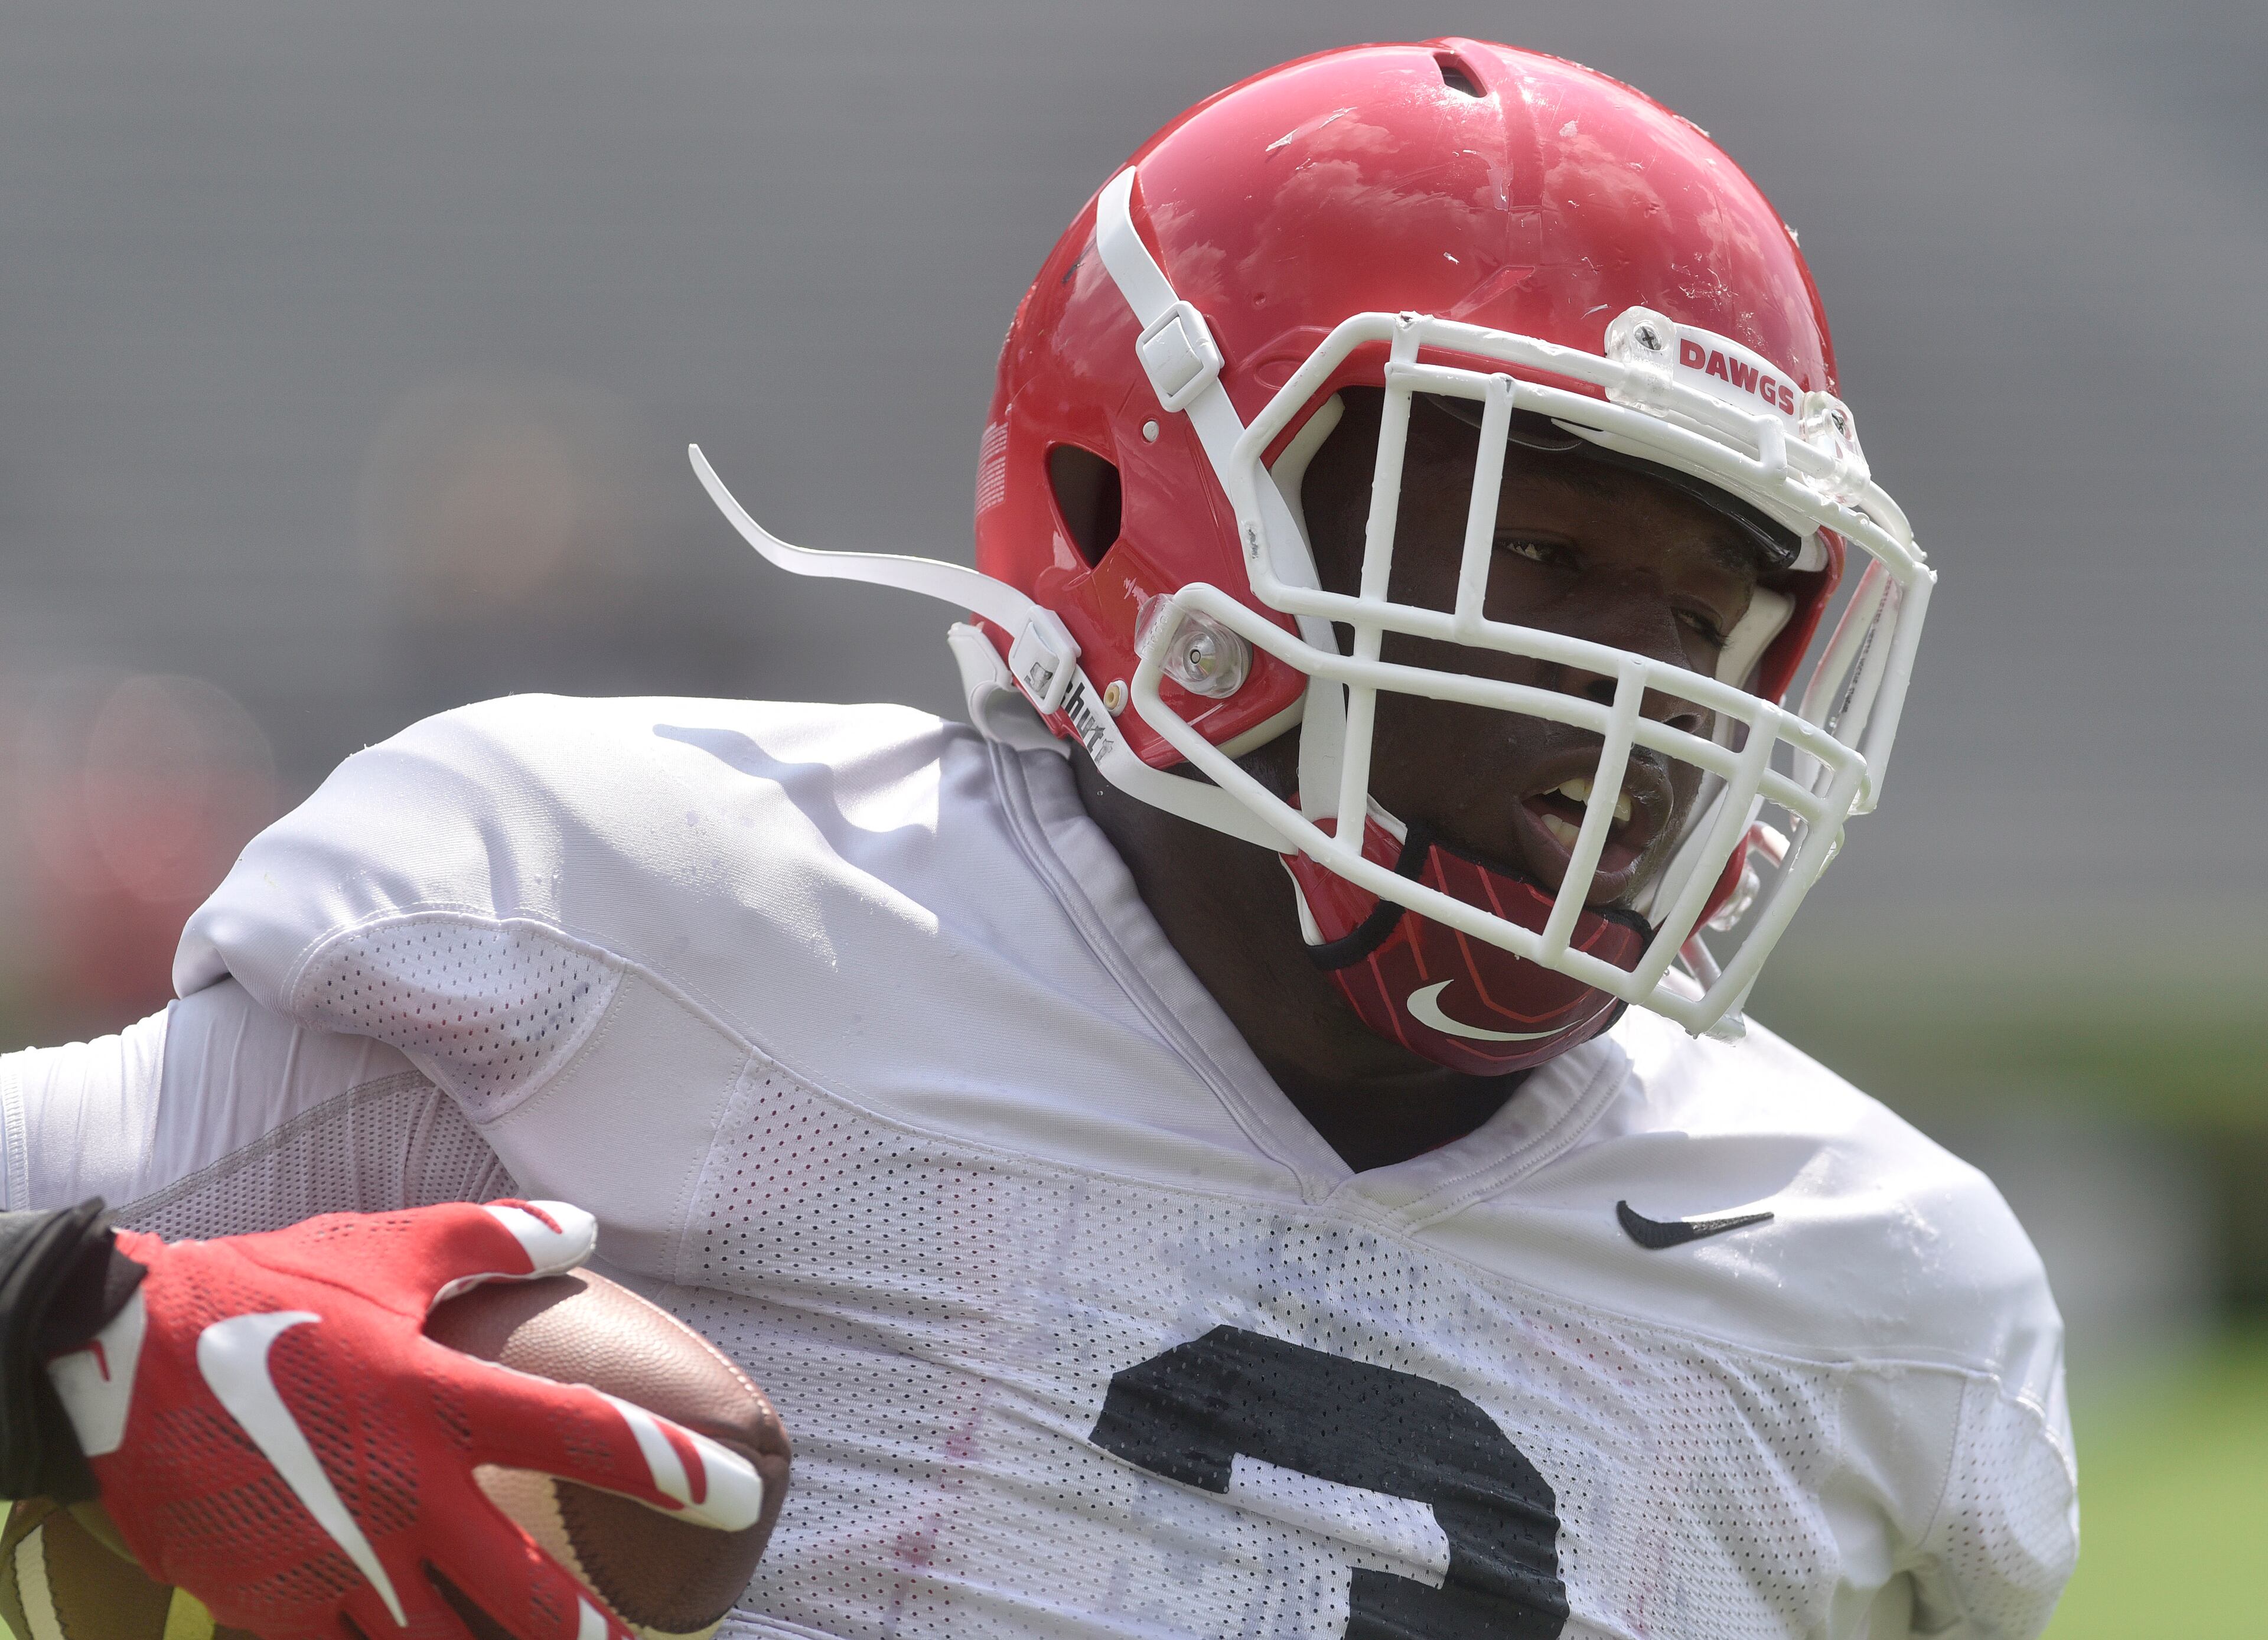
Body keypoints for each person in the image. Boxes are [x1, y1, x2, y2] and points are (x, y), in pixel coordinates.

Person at [0, 38, 2075, 1640]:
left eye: (1697, 619)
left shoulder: (1891, 1302)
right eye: (1532, 555)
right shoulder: (646, 928)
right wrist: (79, 1347)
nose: (1636, 715)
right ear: (1142, 508)